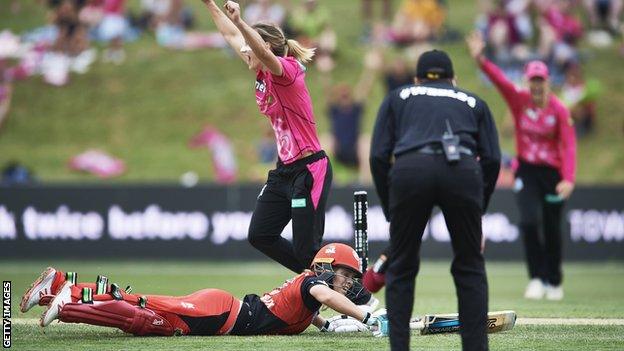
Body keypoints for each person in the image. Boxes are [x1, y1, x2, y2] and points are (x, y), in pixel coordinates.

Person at [370, 49, 501, 351]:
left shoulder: (398, 96)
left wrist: (392, 206)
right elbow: (492, 159)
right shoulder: (473, 102)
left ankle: (400, 347)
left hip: (410, 170)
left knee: (401, 265)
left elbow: (378, 155)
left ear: (416, 79)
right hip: (463, 171)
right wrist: (478, 208)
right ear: (453, 79)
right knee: (470, 265)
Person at [199, 1, 331, 275]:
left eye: (251, 45)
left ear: (266, 47)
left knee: (307, 249)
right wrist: (209, 4)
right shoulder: (260, 71)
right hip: (284, 171)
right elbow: (231, 36)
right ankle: (323, 281)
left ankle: (352, 297)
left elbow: (254, 45)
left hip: (309, 170)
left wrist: (241, 22)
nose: (244, 50)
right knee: (260, 234)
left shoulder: (288, 71)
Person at [21, 243, 380, 335]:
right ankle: (67, 289)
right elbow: (324, 295)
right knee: (144, 301)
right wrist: (366, 315)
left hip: (222, 314)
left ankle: (59, 296)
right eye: (345, 274)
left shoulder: (310, 288)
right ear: (325, 266)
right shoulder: (315, 285)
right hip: (221, 312)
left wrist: (327, 324)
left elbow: (306, 309)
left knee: (143, 319)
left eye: (351, 277)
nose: (348, 282)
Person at [467, 31, 577, 301]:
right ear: (528, 81)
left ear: (547, 81)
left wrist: (568, 178)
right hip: (526, 170)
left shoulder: (559, 110)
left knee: (551, 227)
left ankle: (554, 281)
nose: (537, 85)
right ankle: (536, 278)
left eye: (541, 80)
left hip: (553, 174)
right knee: (529, 222)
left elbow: (569, 145)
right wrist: (481, 60)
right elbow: (500, 81)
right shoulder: (519, 101)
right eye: (533, 80)